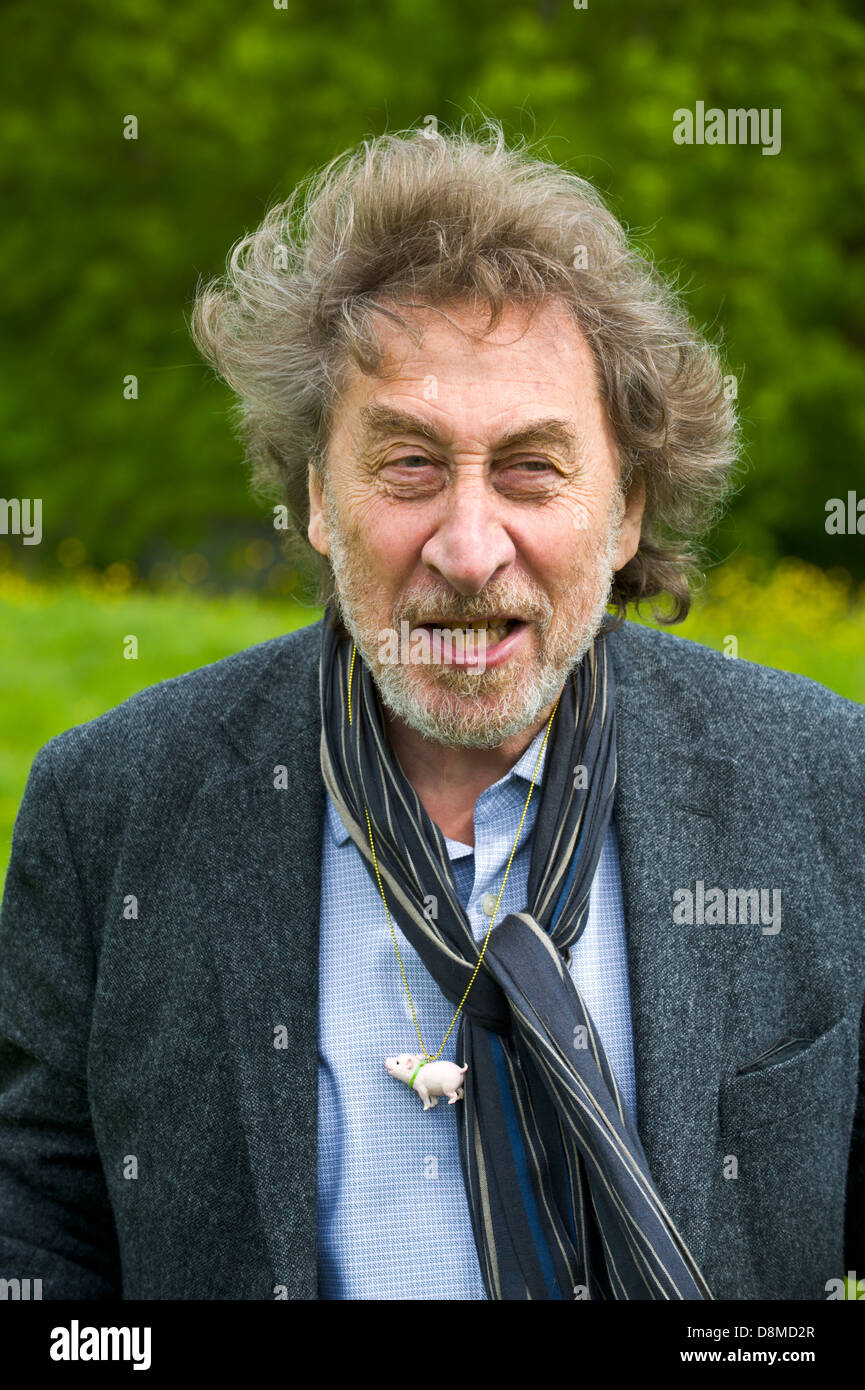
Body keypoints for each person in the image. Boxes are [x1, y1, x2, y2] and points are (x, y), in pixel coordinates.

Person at [0, 123, 862, 1301]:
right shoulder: (110, 810)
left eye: (529, 469)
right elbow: (37, 1226)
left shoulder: (825, 786)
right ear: (315, 496)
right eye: (407, 464)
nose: (466, 548)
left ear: (623, 512)